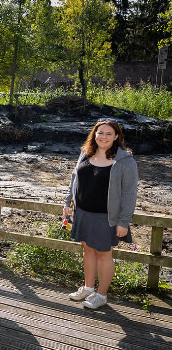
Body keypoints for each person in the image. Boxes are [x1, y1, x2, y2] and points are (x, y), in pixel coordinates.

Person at [64, 119, 138, 309]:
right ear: (94, 134)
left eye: (108, 134)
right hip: (83, 213)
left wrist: (123, 221)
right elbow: (74, 178)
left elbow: (130, 193)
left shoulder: (125, 160)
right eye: (100, 133)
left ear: (116, 137)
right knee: (87, 250)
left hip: (107, 217)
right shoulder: (85, 153)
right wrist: (67, 203)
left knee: (104, 254)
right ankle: (88, 288)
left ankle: (102, 295)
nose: (103, 137)